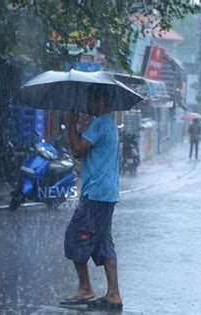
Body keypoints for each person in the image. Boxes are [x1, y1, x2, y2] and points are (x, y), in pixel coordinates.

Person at [60, 84, 122, 311]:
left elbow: (77, 149)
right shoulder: (111, 125)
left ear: (102, 102)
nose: (88, 105)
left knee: (76, 236)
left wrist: (70, 125)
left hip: (96, 193)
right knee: (104, 241)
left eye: (91, 101)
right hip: (107, 193)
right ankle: (113, 294)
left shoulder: (99, 124)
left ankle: (85, 288)